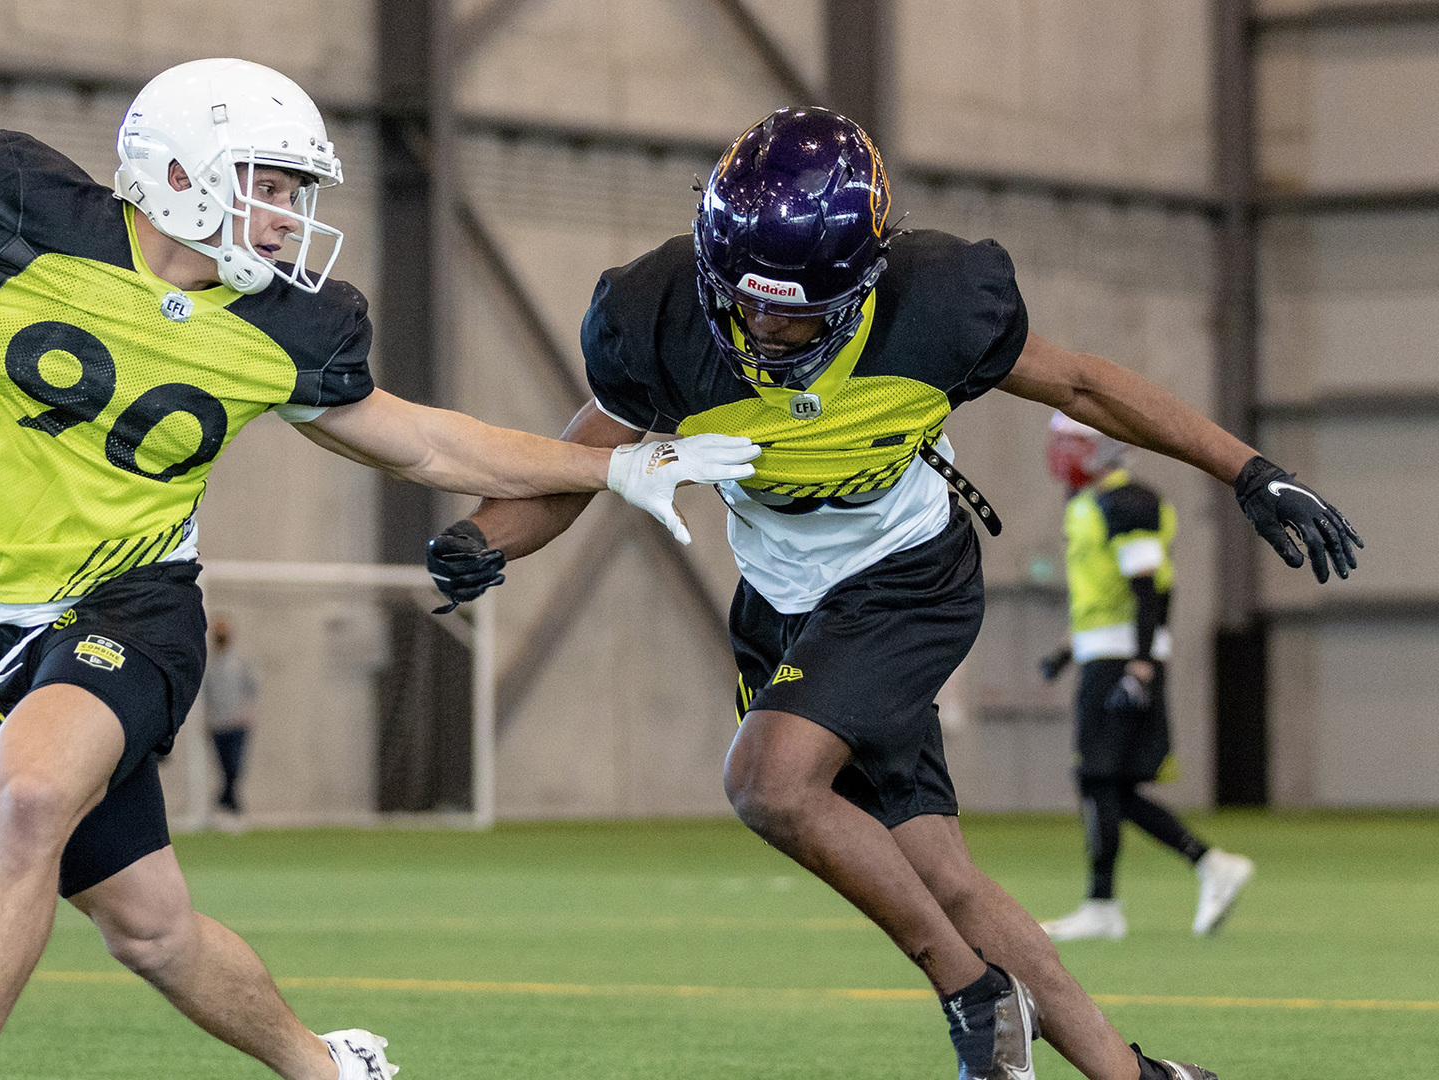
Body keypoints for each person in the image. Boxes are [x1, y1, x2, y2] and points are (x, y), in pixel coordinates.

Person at [0, 56, 756, 1080]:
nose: (290, 214)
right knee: (149, 928)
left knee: (24, 800)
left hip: (135, 606)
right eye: (270, 182)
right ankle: (325, 1068)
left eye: (298, 190)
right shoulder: (28, 219)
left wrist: (611, 467)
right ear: (174, 171)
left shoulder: (288, 329)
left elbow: (421, 439)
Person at [425, 108, 1360, 1080]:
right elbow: (579, 463)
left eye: (792, 313)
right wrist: (484, 536)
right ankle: (1136, 1077)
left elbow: (1081, 385)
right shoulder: (656, 318)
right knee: (938, 870)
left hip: (909, 576)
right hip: (785, 601)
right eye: (741, 302)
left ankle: (974, 994)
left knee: (768, 781)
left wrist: (1246, 469)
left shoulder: (937, 303)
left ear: (864, 286)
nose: (760, 330)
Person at [1036, 413, 1253, 942]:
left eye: (1073, 442)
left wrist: (1140, 663)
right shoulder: (1088, 503)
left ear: (1103, 445)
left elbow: (1149, 587)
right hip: (1105, 653)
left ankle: (1106, 903)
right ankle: (1205, 866)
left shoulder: (1129, 501)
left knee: (1097, 778)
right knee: (1112, 786)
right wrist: (1069, 651)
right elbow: (1104, 592)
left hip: (1122, 659)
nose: (1063, 453)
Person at [202, 617, 258, 818]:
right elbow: (206, 697)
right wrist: (207, 721)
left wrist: (248, 713)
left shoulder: (239, 663)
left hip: (237, 723)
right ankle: (229, 804)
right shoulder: (210, 667)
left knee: (235, 766)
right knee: (224, 767)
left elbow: (252, 689)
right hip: (218, 724)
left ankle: (227, 802)